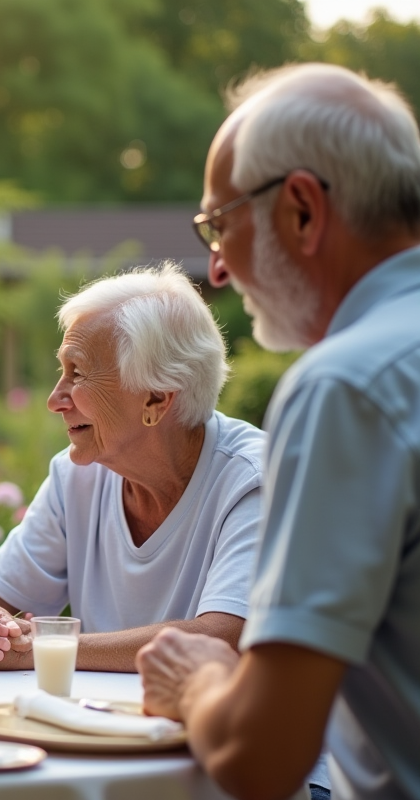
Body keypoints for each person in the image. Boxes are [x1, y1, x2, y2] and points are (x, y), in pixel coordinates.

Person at [135, 63, 420, 800]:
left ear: (300, 210)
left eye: (220, 225)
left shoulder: (346, 387)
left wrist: (199, 679)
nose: (218, 268)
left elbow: (260, 756)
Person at [0, 263, 263, 673]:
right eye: (60, 371)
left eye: (78, 373)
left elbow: (225, 636)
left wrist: (43, 649)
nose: (54, 399)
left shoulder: (254, 479)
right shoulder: (75, 477)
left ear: (156, 398)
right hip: (91, 726)